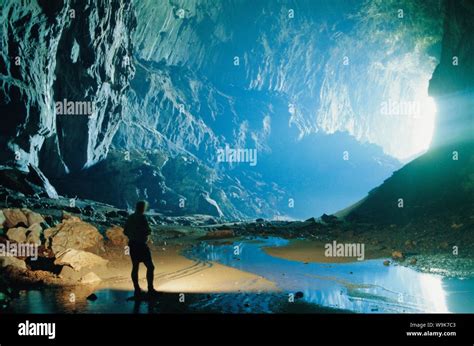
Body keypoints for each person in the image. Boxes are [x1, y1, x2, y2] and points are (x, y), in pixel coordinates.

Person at [124, 200, 158, 298]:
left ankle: (137, 289)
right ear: (143, 208)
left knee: (135, 267)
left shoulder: (130, 217)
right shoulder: (142, 217)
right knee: (150, 267)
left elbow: (125, 231)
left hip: (132, 245)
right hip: (141, 245)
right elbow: (147, 231)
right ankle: (150, 289)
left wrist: (133, 235)